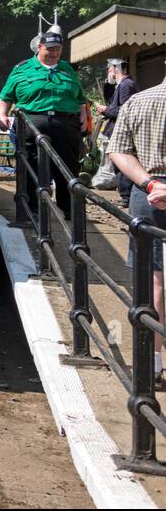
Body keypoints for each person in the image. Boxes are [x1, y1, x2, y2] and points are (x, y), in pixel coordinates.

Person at [106, 79, 166, 387]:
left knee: (153, 278)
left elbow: (117, 151)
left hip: (149, 191)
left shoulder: (137, 101)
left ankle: (151, 362)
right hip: (153, 191)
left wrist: (152, 184)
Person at [0, 30, 88, 217]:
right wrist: (2, 114)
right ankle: (31, 209)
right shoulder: (22, 69)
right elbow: (6, 96)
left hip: (65, 123)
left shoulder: (67, 69)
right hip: (31, 121)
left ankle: (70, 208)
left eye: (58, 49)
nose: (54, 53)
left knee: (68, 166)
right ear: (39, 47)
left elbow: (80, 98)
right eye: (50, 49)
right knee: (30, 164)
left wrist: (84, 116)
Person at [97, 58, 140, 207]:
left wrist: (105, 110)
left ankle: (127, 195)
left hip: (122, 131)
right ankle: (125, 194)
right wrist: (108, 84)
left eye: (109, 69)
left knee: (122, 161)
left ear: (115, 69)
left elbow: (124, 110)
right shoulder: (121, 85)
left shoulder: (126, 85)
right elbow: (111, 100)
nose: (108, 72)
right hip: (117, 129)